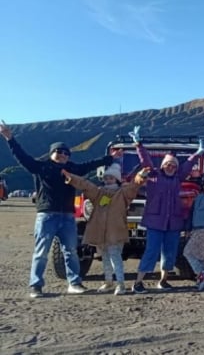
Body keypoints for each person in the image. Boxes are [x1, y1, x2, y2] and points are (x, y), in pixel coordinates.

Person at [0, 121, 117, 298]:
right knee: (41, 252)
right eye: (59, 152)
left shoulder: (72, 169)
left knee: (70, 251)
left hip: (68, 216)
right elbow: (22, 156)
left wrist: (110, 158)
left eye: (65, 153)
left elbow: (90, 165)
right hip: (47, 214)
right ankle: (36, 286)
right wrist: (10, 138)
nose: (62, 155)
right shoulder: (40, 166)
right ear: (51, 153)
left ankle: (74, 283)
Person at [129, 126, 203, 294]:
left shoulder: (178, 178)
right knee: (151, 250)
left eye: (173, 164)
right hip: (155, 221)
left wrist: (198, 153)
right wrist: (138, 144)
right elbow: (145, 161)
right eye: (168, 164)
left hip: (173, 222)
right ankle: (138, 282)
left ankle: (163, 280)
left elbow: (188, 164)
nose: (171, 166)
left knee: (170, 252)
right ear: (163, 165)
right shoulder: (154, 175)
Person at [62, 164, 148, 295]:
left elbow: (134, 185)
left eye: (111, 178)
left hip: (116, 231)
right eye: (106, 178)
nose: (108, 180)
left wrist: (141, 175)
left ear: (117, 180)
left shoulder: (123, 193)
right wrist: (72, 178)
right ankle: (108, 282)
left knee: (116, 257)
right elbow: (86, 184)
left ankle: (121, 284)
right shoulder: (98, 193)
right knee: (106, 257)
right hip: (101, 232)